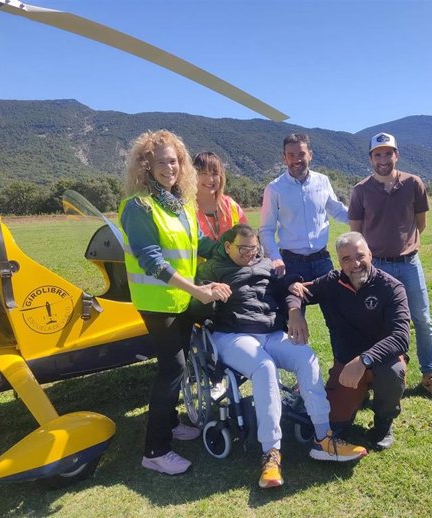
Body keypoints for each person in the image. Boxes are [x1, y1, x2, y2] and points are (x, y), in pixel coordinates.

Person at [190, 224, 367, 489]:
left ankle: (324, 437)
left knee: (306, 356)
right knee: (265, 368)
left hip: (271, 332)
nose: (250, 254)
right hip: (232, 335)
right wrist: (208, 296)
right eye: (243, 249)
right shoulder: (209, 271)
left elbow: (288, 283)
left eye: (254, 248)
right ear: (227, 247)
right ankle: (271, 453)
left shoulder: (266, 265)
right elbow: (194, 309)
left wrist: (294, 294)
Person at [119, 130, 231, 475]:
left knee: (175, 368)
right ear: (145, 164)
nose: (170, 167)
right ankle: (154, 450)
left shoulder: (179, 204)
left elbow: (200, 243)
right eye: (161, 161)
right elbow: (153, 261)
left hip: (179, 299)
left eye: (175, 160)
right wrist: (199, 290)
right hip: (157, 302)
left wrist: (239, 246)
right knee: (173, 369)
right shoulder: (138, 207)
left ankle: (169, 425)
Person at [348, 132, 432, 402]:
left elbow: (421, 223)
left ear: (397, 155)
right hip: (376, 268)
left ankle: (429, 375)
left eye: (388, 153)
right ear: (371, 158)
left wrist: (405, 246)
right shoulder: (360, 190)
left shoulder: (413, 184)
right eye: (377, 154)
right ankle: (375, 378)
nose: (383, 159)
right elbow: (356, 234)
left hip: (408, 264)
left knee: (423, 320)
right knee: (374, 325)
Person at [287, 232, 410, 450]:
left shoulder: (391, 287)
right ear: (339, 262)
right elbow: (298, 291)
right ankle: (357, 396)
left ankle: (383, 423)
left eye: (360, 256)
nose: (355, 264)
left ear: (371, 255)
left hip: (381, 362)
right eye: (346, 259)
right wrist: (295, 311)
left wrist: (364, 359)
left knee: (393, 372)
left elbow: (400, 337)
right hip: (345, 366)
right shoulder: (332, 282)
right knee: (334, 422)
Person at [259, 133, 348, 281]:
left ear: (310, 155)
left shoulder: (322, 181)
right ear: (284, 157)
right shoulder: (274, 189)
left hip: (322, 261)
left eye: (301, 154)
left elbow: (338, 211)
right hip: (290, 264)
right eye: (291, 155)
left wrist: (366, 218)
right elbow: (266, 229)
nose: (297, 160)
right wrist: (275, 257)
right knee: (294, 305)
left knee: (336, 304)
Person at [193, 151, 248, 240]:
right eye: (203, 173)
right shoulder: (185, 209)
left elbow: (247, 238)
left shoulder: (231, 206)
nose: (210, 179)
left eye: (215, 174)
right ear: (193, 175)